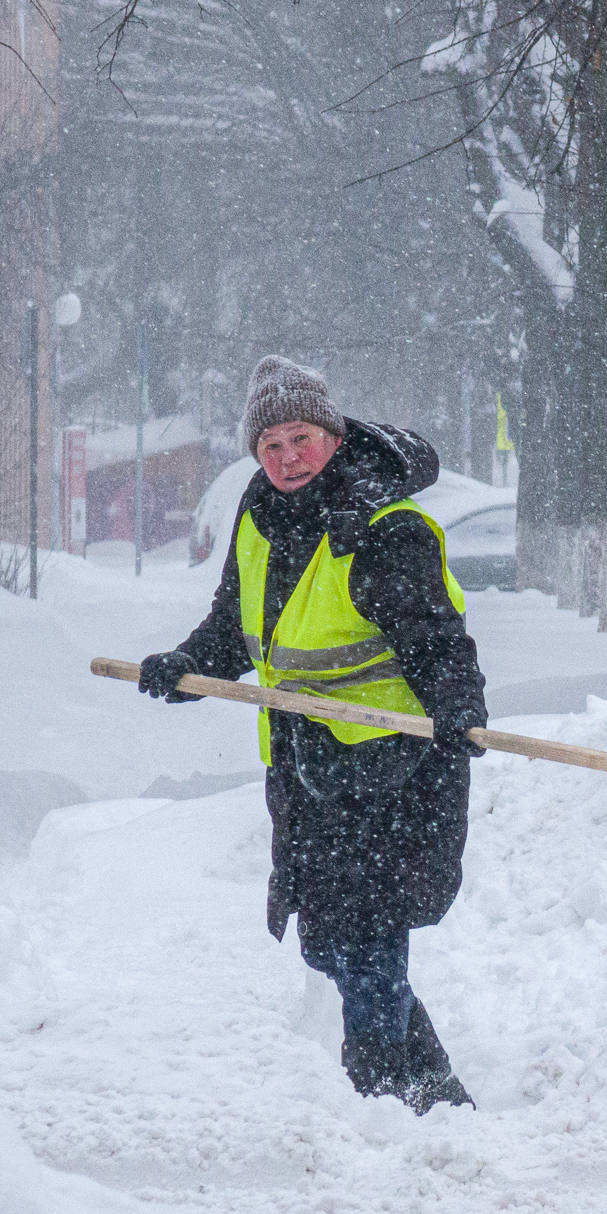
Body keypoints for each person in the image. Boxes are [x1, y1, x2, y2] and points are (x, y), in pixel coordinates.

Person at [139, 356, 485, 1113]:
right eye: (270, 444)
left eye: (300, 437)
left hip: (395, 769)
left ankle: (381, 1095)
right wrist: (188, 663)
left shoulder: (382, 524)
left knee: (368, 941)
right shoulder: (260, 514)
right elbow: (237, 624)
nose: (287, 456)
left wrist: (460, 710)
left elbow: (436, 639)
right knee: (329, 943)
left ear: (331, 434)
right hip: (310, 771)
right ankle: (432, 1088)